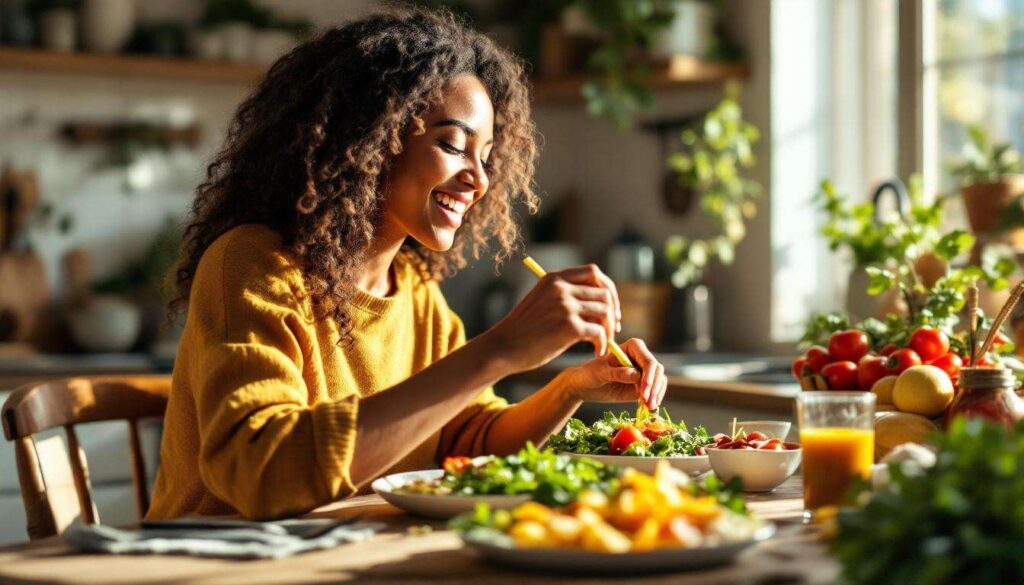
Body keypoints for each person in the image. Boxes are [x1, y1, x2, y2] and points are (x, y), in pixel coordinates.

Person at [146, 7, 667, 521]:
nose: (479, 181)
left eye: (486, 158)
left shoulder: (415, 291)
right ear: (367, 140)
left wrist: (569, 388)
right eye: (452, 145)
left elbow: (469, 438)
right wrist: (500, 349)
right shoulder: (254, 264)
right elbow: (258, 473)